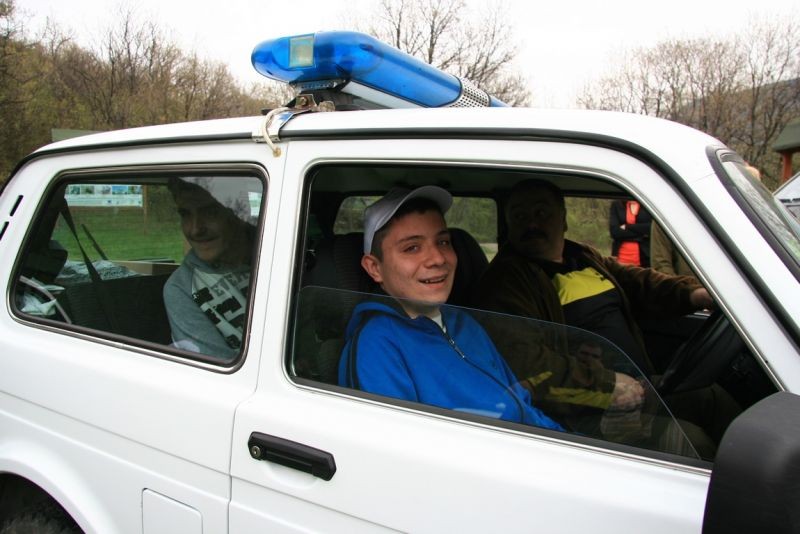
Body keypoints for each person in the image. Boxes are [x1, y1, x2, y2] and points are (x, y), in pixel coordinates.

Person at [473, 179, 738, 447]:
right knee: (690, 442)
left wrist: (694, 295)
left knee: (711, 398)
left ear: (563, 219)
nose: (531, 224)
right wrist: (608, 385)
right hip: (586, 408)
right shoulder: (506, 281)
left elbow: (637, 282)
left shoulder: (582, 256)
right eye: (519, 216)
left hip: (636, 387)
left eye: (541, 213)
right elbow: (526, 363)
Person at [338, 186, 562, 431]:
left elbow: (520, 404)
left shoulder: (464, 322)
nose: (438, 258)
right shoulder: (377, 346)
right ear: (375, 268)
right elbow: (395, 445)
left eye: (443, 242)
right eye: (412, 248)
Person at [163, 177, 256, 359]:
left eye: (210, 212)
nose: (195, 229)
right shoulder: (183, 288)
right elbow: (216, 369)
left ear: (240, 213)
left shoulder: (278, 253)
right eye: (185, 214)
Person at [609, 199, 652, 266]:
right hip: (620, 257)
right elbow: (615, 232)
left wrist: (627, 226)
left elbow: (650, 228)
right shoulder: (616, 204)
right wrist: (641, 233)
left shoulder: (648, 203)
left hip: (645, 256)